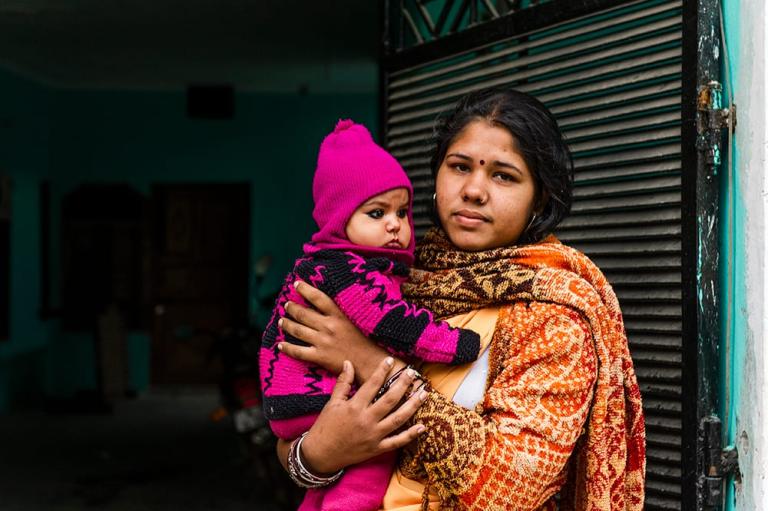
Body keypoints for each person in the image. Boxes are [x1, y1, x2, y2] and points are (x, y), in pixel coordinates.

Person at [276, 88, 646, 510]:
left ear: (539, 197)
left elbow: (510, 489)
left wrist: (366, 360)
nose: (473, 190)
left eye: (503, 175)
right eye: (459, 167)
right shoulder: (386, 280)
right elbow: (294, 441)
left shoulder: (554, 316)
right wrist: (321, 454)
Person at [260, 119, 482, 511]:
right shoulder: (348, 270)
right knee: (369, 472)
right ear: (338, 220)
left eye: (402, 211)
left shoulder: (334, 264)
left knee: (327, 492)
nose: (395, 224)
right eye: (376, 214)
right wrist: (460, 343)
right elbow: (396, 324)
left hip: (301, 403)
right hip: (318, 403)